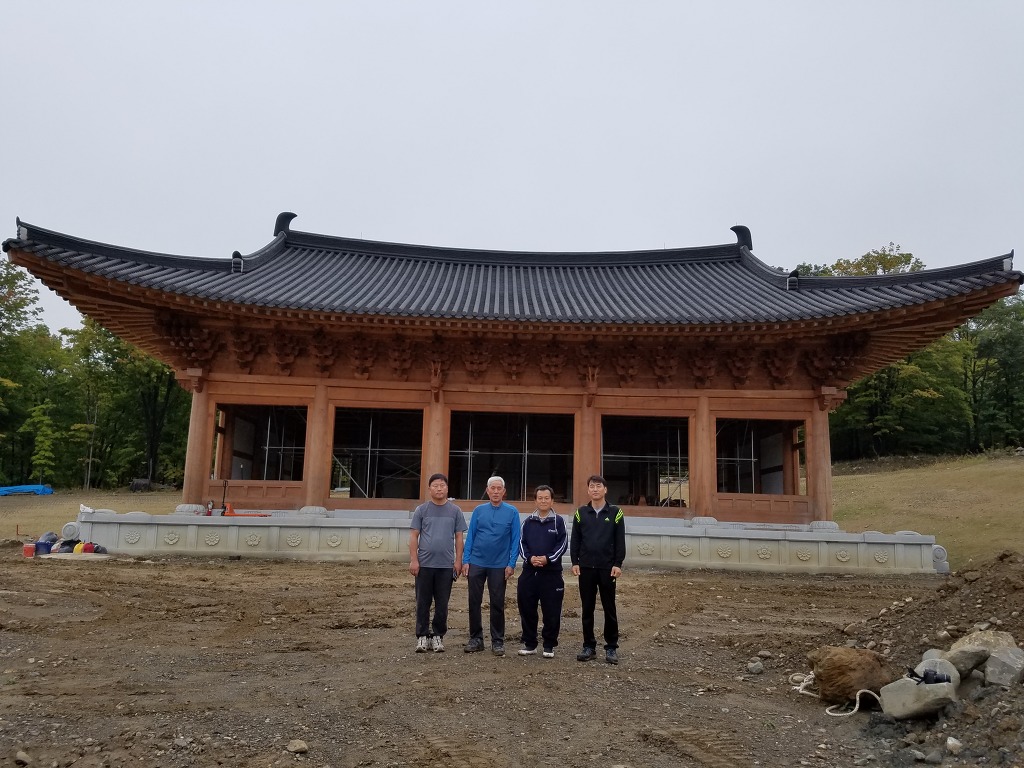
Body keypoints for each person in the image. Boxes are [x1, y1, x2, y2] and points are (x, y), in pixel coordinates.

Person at [461, 475, 521, 656]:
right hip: (476, 562)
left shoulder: (512, 512)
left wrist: (511, 564)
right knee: (474, 601)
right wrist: (466, 560)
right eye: (492, 488)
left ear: (504, 491)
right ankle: (476, 638)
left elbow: (515, 539)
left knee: (497, 603)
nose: (495, 492)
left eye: (498, 488)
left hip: (499, 565)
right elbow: (471, 536)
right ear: (487, 491)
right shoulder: (479, 511)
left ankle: (498, 640)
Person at [570, 474, 626, 664]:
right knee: (587, 608)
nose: (595, 489)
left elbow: (619, 540)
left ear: (605, 489)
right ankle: (589, 646)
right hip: (586, 567)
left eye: (598, 486)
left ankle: (611, 647)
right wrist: (575, 562)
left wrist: (618, 563)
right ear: (588, 490)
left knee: (609, 608)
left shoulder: (615, 512)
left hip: (607, 568)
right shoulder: (581, 513)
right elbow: (576, 539)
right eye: (592, 486)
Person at [409, 473, 467, 653]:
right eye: (435, 486)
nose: (439, 488)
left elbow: (459, 538)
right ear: (429, 489)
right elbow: (414, 536)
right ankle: (422, 636)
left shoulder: (455, 511)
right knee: (422, 602)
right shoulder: (421, 510)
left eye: (442, 485)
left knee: (442, 603)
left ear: (447, 488)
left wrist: (458, 561)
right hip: (424, 565)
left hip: (446, 566)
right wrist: (414, 560)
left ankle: (437, 636)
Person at [516, 485, 568, 658]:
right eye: (540, 498)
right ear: (535, 500)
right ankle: (530, 644)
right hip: (529, 573)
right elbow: (521, 543)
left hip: (552, 574)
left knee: (552, 611)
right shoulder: (527, 522)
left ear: (552, 501)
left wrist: (548, 558)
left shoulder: (559, 522)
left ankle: (549, 645)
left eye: (547, 498)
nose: (543, 501)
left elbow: (562, 544)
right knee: (527, 609)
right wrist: (529, 558)